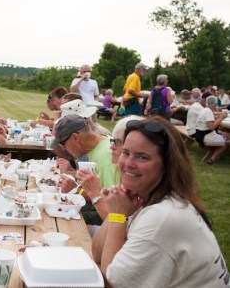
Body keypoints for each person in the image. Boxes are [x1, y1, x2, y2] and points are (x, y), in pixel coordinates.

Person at [91, 116, 229, 288]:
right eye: (126, 153)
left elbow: (110, 283)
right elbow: (97, 254)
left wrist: (118, 217)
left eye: (142, 157)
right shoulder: (147, 196)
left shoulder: (163, 216)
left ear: (167, 165)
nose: (128, 164)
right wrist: (116, 211)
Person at [51, 114, 116, 226]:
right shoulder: (98, 147)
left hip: (109, 219)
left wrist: (77, 190)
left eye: (63, 144)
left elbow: (112, 206)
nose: (64, 149)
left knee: (60, 219)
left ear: (75, 137)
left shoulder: (105, 159)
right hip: (102, 211)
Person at [195, 95, 229, 165]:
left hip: (199, 134)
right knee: (227, 141)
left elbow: (211, 118)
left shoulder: (205, 110)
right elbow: (211, 127)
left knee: (226, 134)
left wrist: (220, 116)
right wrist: (221, 118)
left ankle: (220, 154)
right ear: (214, 104)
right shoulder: (208, 112)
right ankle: (212, 159)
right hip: (205, 136)